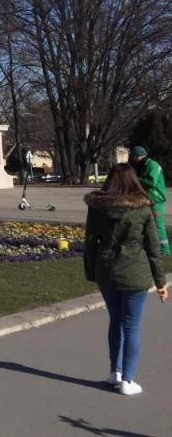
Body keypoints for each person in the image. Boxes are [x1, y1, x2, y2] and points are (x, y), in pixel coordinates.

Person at [83, 162, 168, 395]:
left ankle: (115, 372)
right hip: (134, 272)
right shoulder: (142, 209)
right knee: (131, 326)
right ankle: (128, 380)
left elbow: (90, 243)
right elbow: (153, 249)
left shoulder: (97, 208)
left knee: (115, 321)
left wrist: (91, 271)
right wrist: (161, 282)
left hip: (106, 269)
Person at [129, 146, 168, 255]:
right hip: (149, 197)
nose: (132, 159)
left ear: (137, 156)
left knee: (158, 224)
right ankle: (153, 247)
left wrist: (135, 180)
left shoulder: (152, 165)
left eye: (133, 156)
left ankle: (164, 250)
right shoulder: (144, 165)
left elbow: (151, 181)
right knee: (149, 224)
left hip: (155, 198)